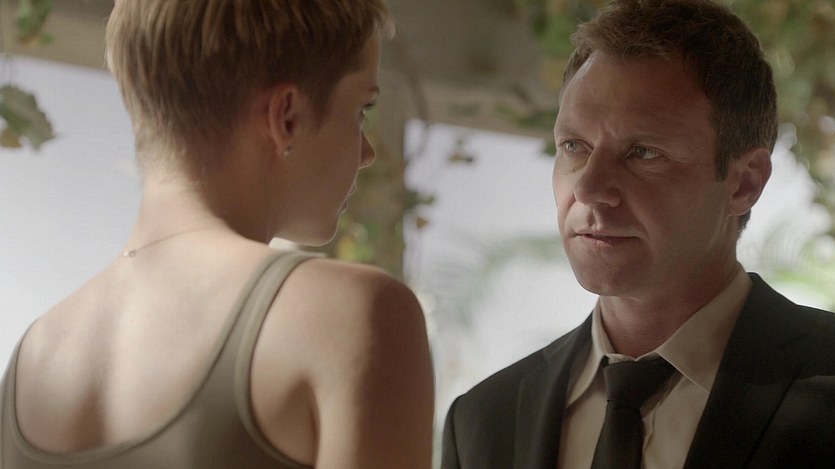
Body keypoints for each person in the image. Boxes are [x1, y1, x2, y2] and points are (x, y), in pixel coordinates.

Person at [1, 1, 434, 468]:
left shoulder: (33, 355)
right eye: (361, 110)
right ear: (286, 117)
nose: (367, 153)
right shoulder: (350, 313)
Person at [441, 0, 835, 467]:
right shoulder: (483, 419)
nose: (588, 189)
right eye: (574, 146)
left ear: (744, 184)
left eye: (644, 152)